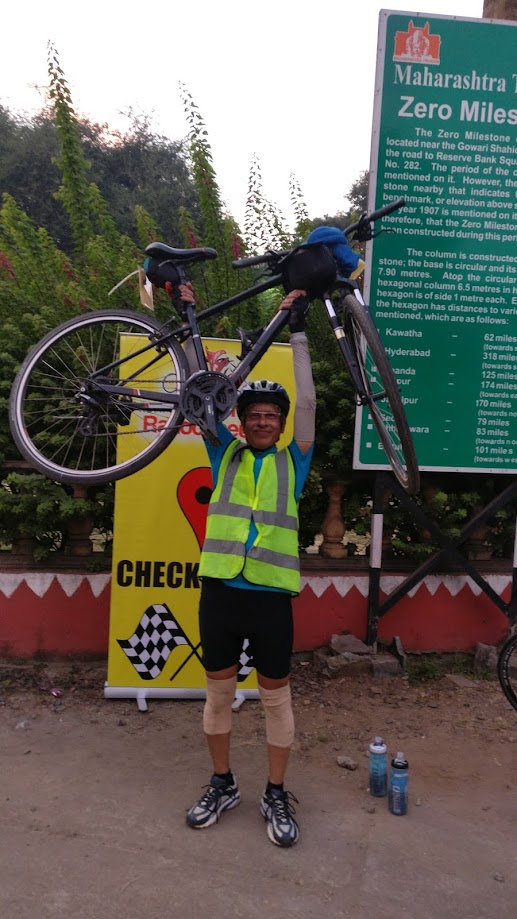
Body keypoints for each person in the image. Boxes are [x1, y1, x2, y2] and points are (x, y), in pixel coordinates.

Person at [179, 283, 315, 848]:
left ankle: (275, 792)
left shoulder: (295, 461)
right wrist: (186, 310)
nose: (262, 422)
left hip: (270, 599)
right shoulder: (223, 452)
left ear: (281, 425)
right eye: (254, 415)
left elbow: (308, 403)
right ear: (242, 421)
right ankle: (223, 783)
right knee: (217, 696)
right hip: (220, 594)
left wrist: (298, 330)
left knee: (276, 698)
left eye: (270, 416)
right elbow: (197, 390)